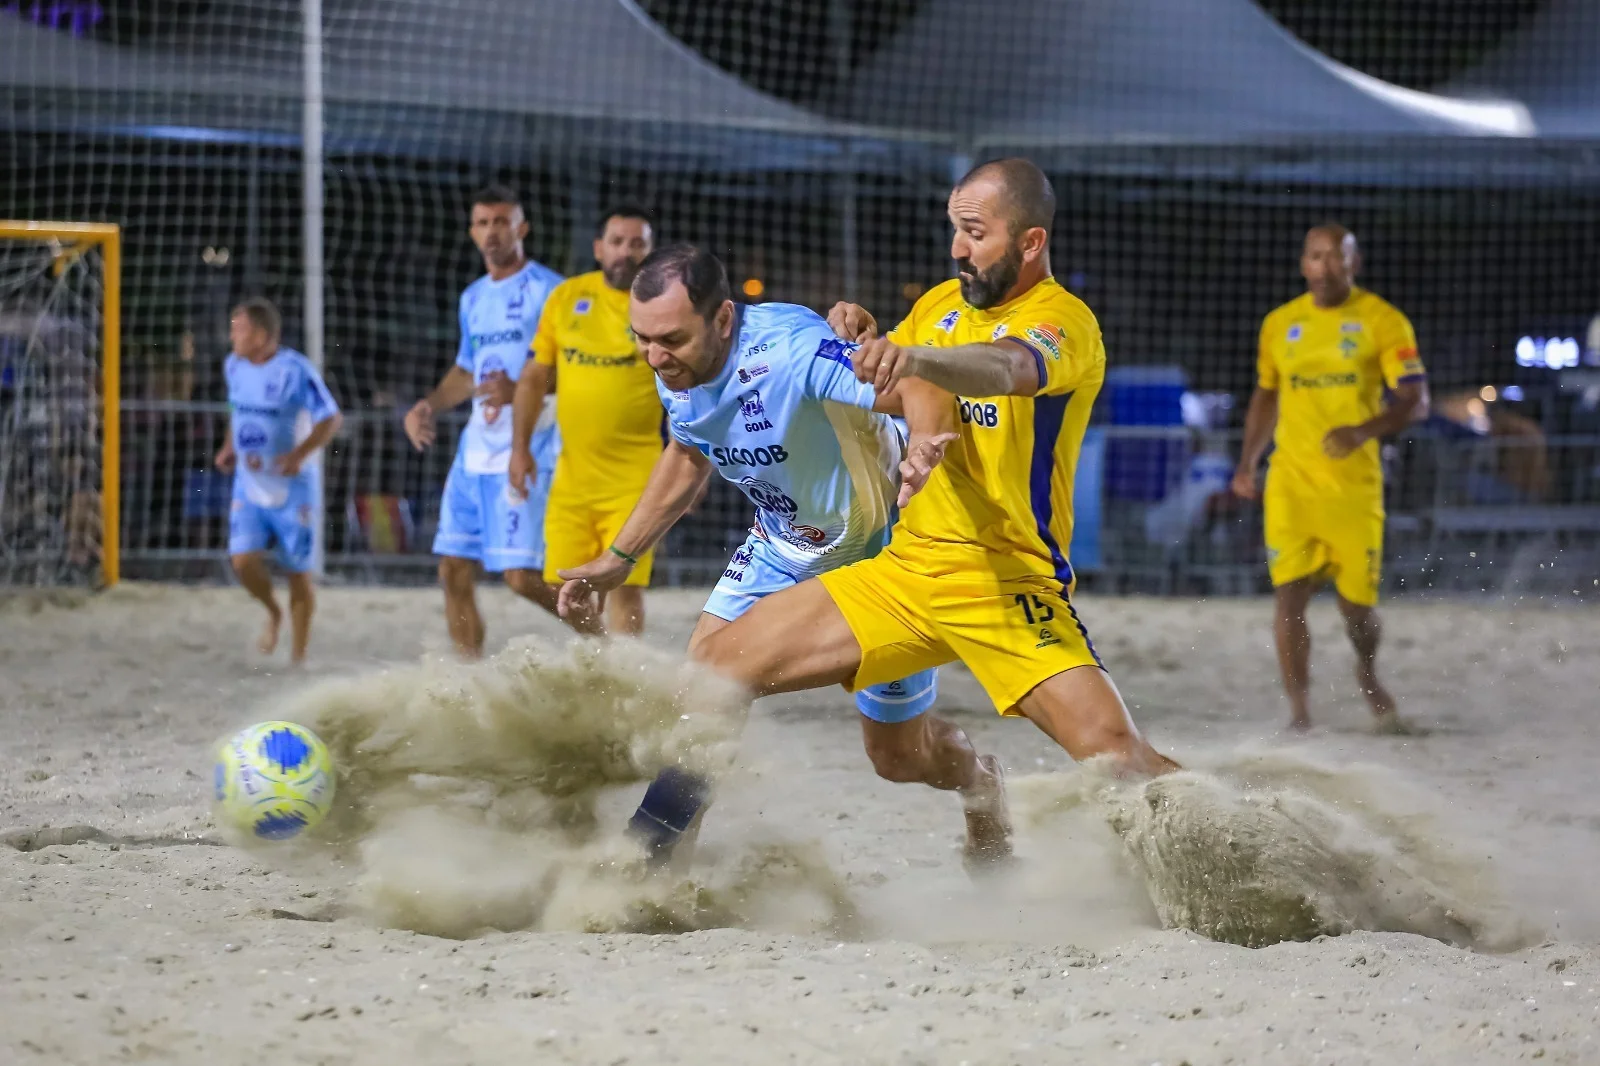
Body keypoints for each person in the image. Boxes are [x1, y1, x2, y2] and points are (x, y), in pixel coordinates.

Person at [570, 159, 1176, 870]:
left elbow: (1003, 368)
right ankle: (651, 861)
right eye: (954, 230)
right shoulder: (940, 306)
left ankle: (1264, 840)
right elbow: (898, 370)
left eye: (974, 233)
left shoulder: (1064, 323)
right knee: (718, 674)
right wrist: (871, 336)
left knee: (1115, 761)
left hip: (1003, 580)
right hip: (901, 566)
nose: (957, 248)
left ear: (1030, 242)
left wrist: (915, 391)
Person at [556, 245, 1009, 866]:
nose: (655, 357)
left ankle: (982, 784)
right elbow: (689, 452)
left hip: (879, 558)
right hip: (778, 544)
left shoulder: (792, 350)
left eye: (671, 339)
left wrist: (927, 440)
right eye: (642, 339)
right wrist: (619, 557)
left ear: (722, 320)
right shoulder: (674, 369)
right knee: (705, 689)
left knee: (902, 759)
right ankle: (658, 857)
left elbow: (913, 382)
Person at [1231, 224, 1430, 732]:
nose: (1325, 267)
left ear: (1354, 263)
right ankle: (1299, 711)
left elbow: (1416, 400)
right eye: (1315, 257)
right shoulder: (1280, 323)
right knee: (1289, 596)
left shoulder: (1383, 321)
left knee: (1355, 609)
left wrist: (1364, 430)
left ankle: (1366, 670)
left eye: (1335, 258)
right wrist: (1248, 461)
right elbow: (1267, 395)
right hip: (1291, 482)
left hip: (1353, 488)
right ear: (1303, 264)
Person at [404, 186, 574, 657]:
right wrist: (428, 406)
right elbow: (466, 370)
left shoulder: (552, 291)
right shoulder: (473, 297)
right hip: (476, 449)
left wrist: (522, 387)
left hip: (529, 445)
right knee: (452, 567)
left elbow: (577, 368)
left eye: (501, 221)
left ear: (522, 228)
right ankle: (468, 673)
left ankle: (601, 640)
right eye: (483, 223)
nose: (492, 231)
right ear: (472, 233)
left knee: (521, 578)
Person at [509, 206, 661, 636]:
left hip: (635, 474)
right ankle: (604, 656)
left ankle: (626, 676)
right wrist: (519, 449)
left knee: (626, 585)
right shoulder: (565, 297)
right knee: (561, 580)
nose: (625, 252)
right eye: (617, 241)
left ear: (650, 252)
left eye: (637, 244)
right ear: (598, 248)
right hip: (572, 474)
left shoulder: (660, 307)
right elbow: (535, 376)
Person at [213, 298, 342, 664]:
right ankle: (273, 611)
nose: (232, 336)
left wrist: (299, 455)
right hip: (250, 482)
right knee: (241, 561)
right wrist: (229, 446)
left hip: (293, 487)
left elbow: (331, 418)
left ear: (261, 334)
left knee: (298, 573)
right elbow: (237, 409)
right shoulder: (234, 366)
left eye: (238, 329)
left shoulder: (296, 370)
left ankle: (297, 658)